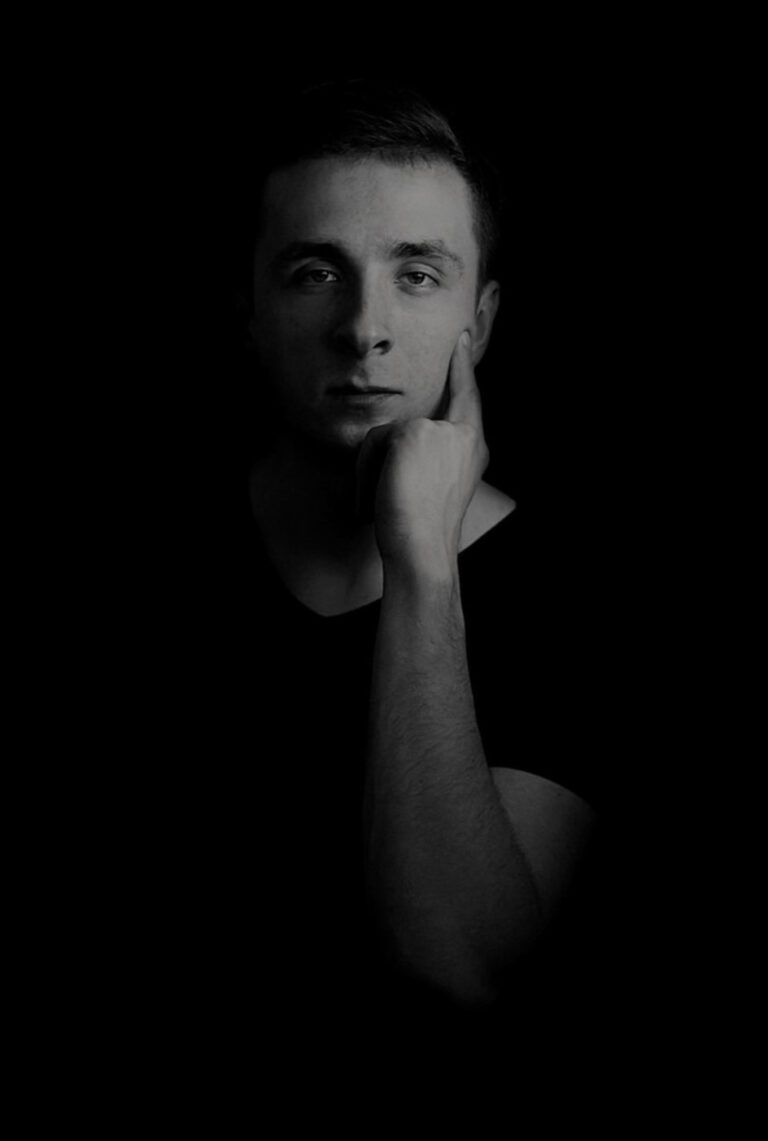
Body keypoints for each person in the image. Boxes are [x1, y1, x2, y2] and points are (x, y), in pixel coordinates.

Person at [173, 79, 607, 1046]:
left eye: (417, 273)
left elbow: (459, 966)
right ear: (247, 310)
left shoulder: (574, 595)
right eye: (314, 272)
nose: (362, 327)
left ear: (479, 322)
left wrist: (422, 564)